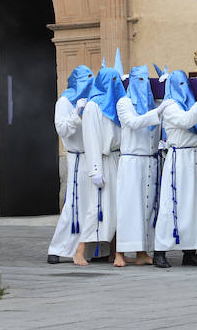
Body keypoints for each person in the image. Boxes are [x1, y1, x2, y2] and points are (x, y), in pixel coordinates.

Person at [114, 66, 174, 267]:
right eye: (137, 79)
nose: (142, 83)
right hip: (132, 161)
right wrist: (157, 111)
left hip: (150, 160)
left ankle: (142, 251)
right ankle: (119, 252)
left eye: (144, 79)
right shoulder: (124, 102)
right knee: (129, 206)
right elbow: (132, 122)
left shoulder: (152, 103)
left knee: (147, 208)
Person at [153, 70, 197, 268]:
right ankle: (160, 250)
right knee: (173, 204)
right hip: (179, 158)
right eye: (178, 84)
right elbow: (186, 121)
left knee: (196, 204)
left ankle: (191, 250)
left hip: (196, 156)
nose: (183, 88)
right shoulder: (169, 106)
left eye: (184, 84)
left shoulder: (190, 103)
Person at [79, 67, 125, 264]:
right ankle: (79, 250)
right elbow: (91, 139)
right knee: (97, 207)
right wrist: (95, 170)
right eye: (111, 80)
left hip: (116, 160)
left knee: (117, 208)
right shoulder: (93, 106)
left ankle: (116, 251)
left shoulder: (117, 105)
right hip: (103, 162)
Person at [47, 67, 92, 264]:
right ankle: (59, 248)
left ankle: (91, 250)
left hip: (91, 157)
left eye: (91, 77)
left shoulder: (92, 99)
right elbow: (62, 129)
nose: (88, 82)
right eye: (84, 78)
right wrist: (76, 113)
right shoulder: (64, 101)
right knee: (74, 205)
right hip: (75, 157)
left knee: (91, 204)